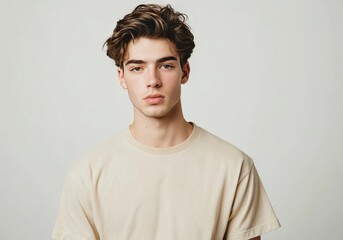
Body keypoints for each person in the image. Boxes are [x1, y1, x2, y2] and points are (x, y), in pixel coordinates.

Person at [52, 4, 280, 240]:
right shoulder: (87, 177)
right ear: (122, 77)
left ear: (185, 72)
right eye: (137, 68)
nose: (153, 80)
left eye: (166, 65)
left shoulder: (234, 167)